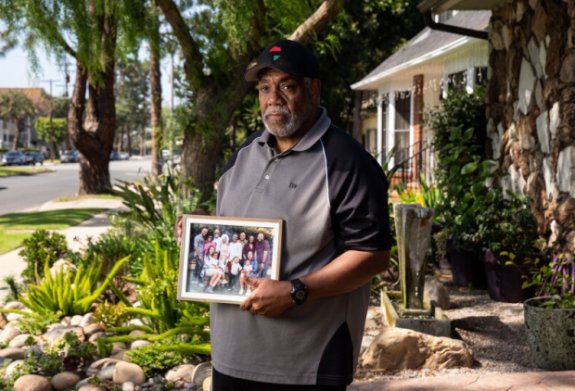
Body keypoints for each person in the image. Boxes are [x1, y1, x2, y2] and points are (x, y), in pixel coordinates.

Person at [209, 39, 391, 390]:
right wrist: (197, 229)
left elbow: (372, 256)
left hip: (304, 364)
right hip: (231, 357)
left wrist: (295, 291)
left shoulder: (347, 162)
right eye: (264, 88)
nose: (273, 99)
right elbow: (232, 224)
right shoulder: (246, 152)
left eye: (286, 86)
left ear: (313, 90)